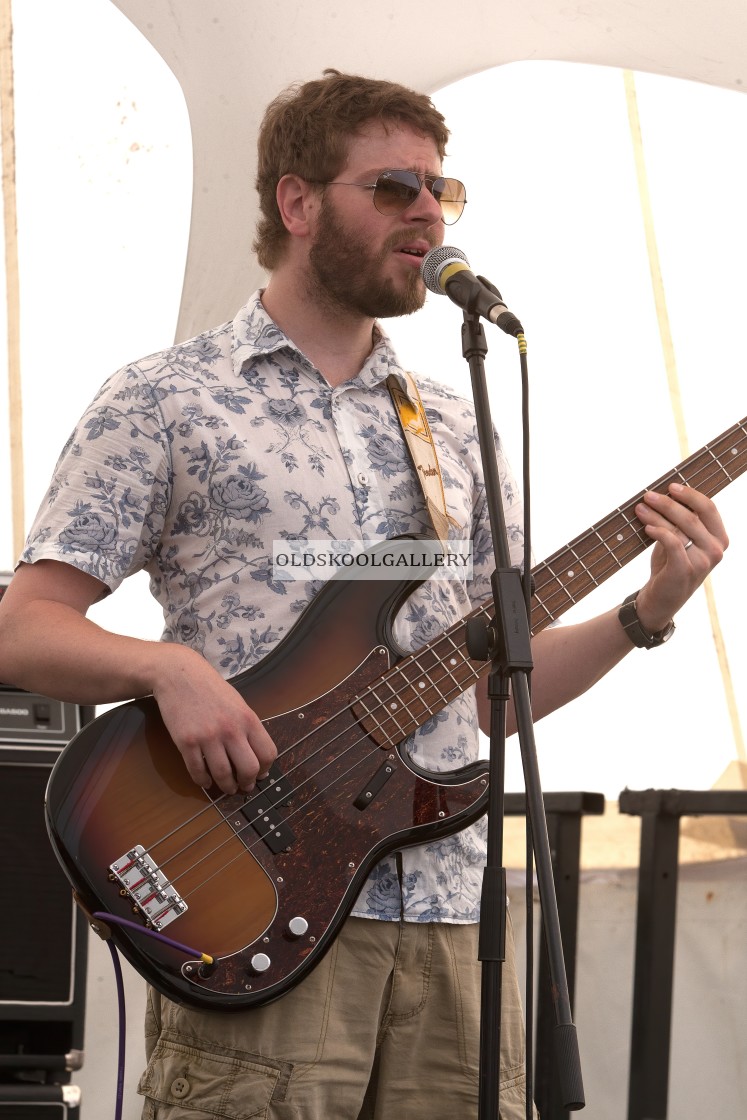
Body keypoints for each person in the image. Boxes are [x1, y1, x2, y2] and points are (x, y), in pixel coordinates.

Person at [0, 69, 728, 1119]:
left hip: (448, 919)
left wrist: (643, 613)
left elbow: (489, 692)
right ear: (298, 205)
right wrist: (168, 669)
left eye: (442, 189)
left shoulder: (457, 425)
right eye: (394, 186)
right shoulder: (166, 399)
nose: (429, 211)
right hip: (247, 902)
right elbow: (25, 630)